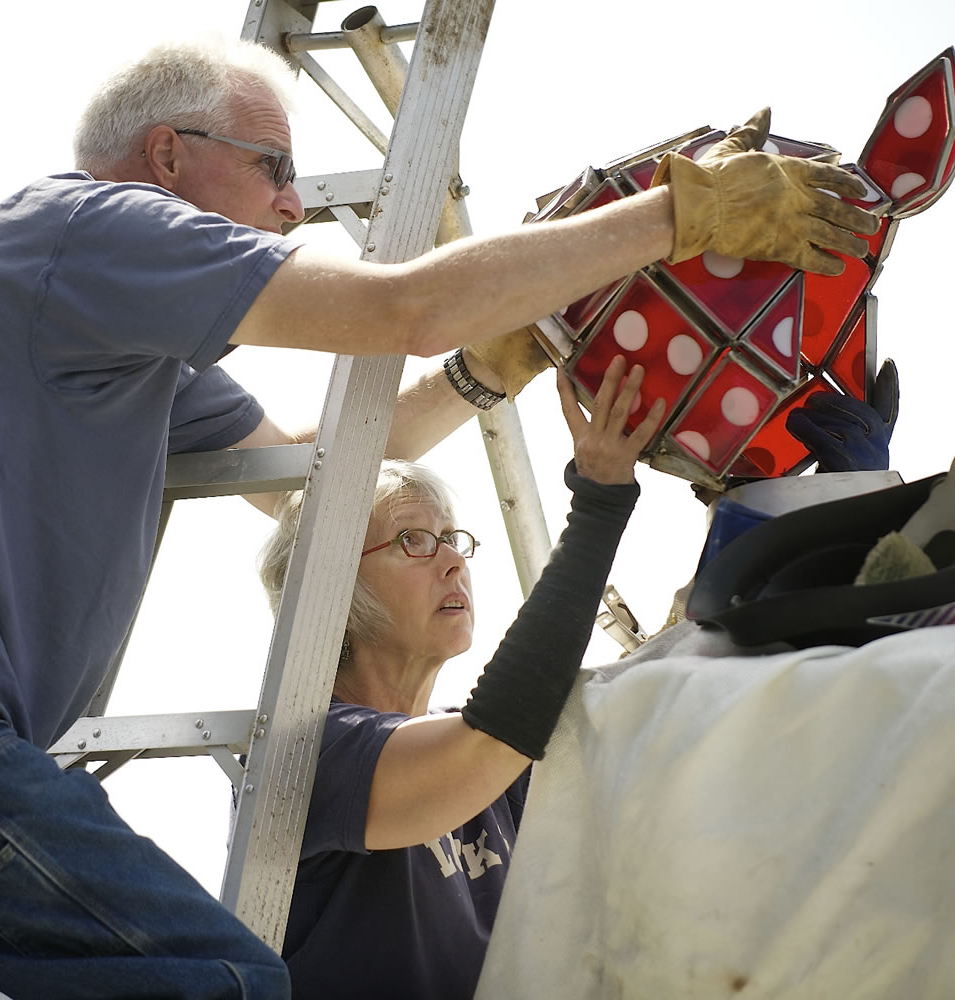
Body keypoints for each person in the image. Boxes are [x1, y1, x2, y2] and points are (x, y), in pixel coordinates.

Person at [0, 31, 878, 1000]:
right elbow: (403, 305)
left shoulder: (118, 329)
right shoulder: (94, 227)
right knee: (216, 979)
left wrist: (491, 370)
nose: (297, 205)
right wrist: (681, 217)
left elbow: (316, 468)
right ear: (166, 156)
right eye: (271, 169)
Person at [258, 357, 661, 999]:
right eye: (412, 541)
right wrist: (600, 504)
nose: (451, 560)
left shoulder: (498, 778)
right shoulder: (308, 752)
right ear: (332, 588)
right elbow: (494, 734)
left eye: (451, 538)